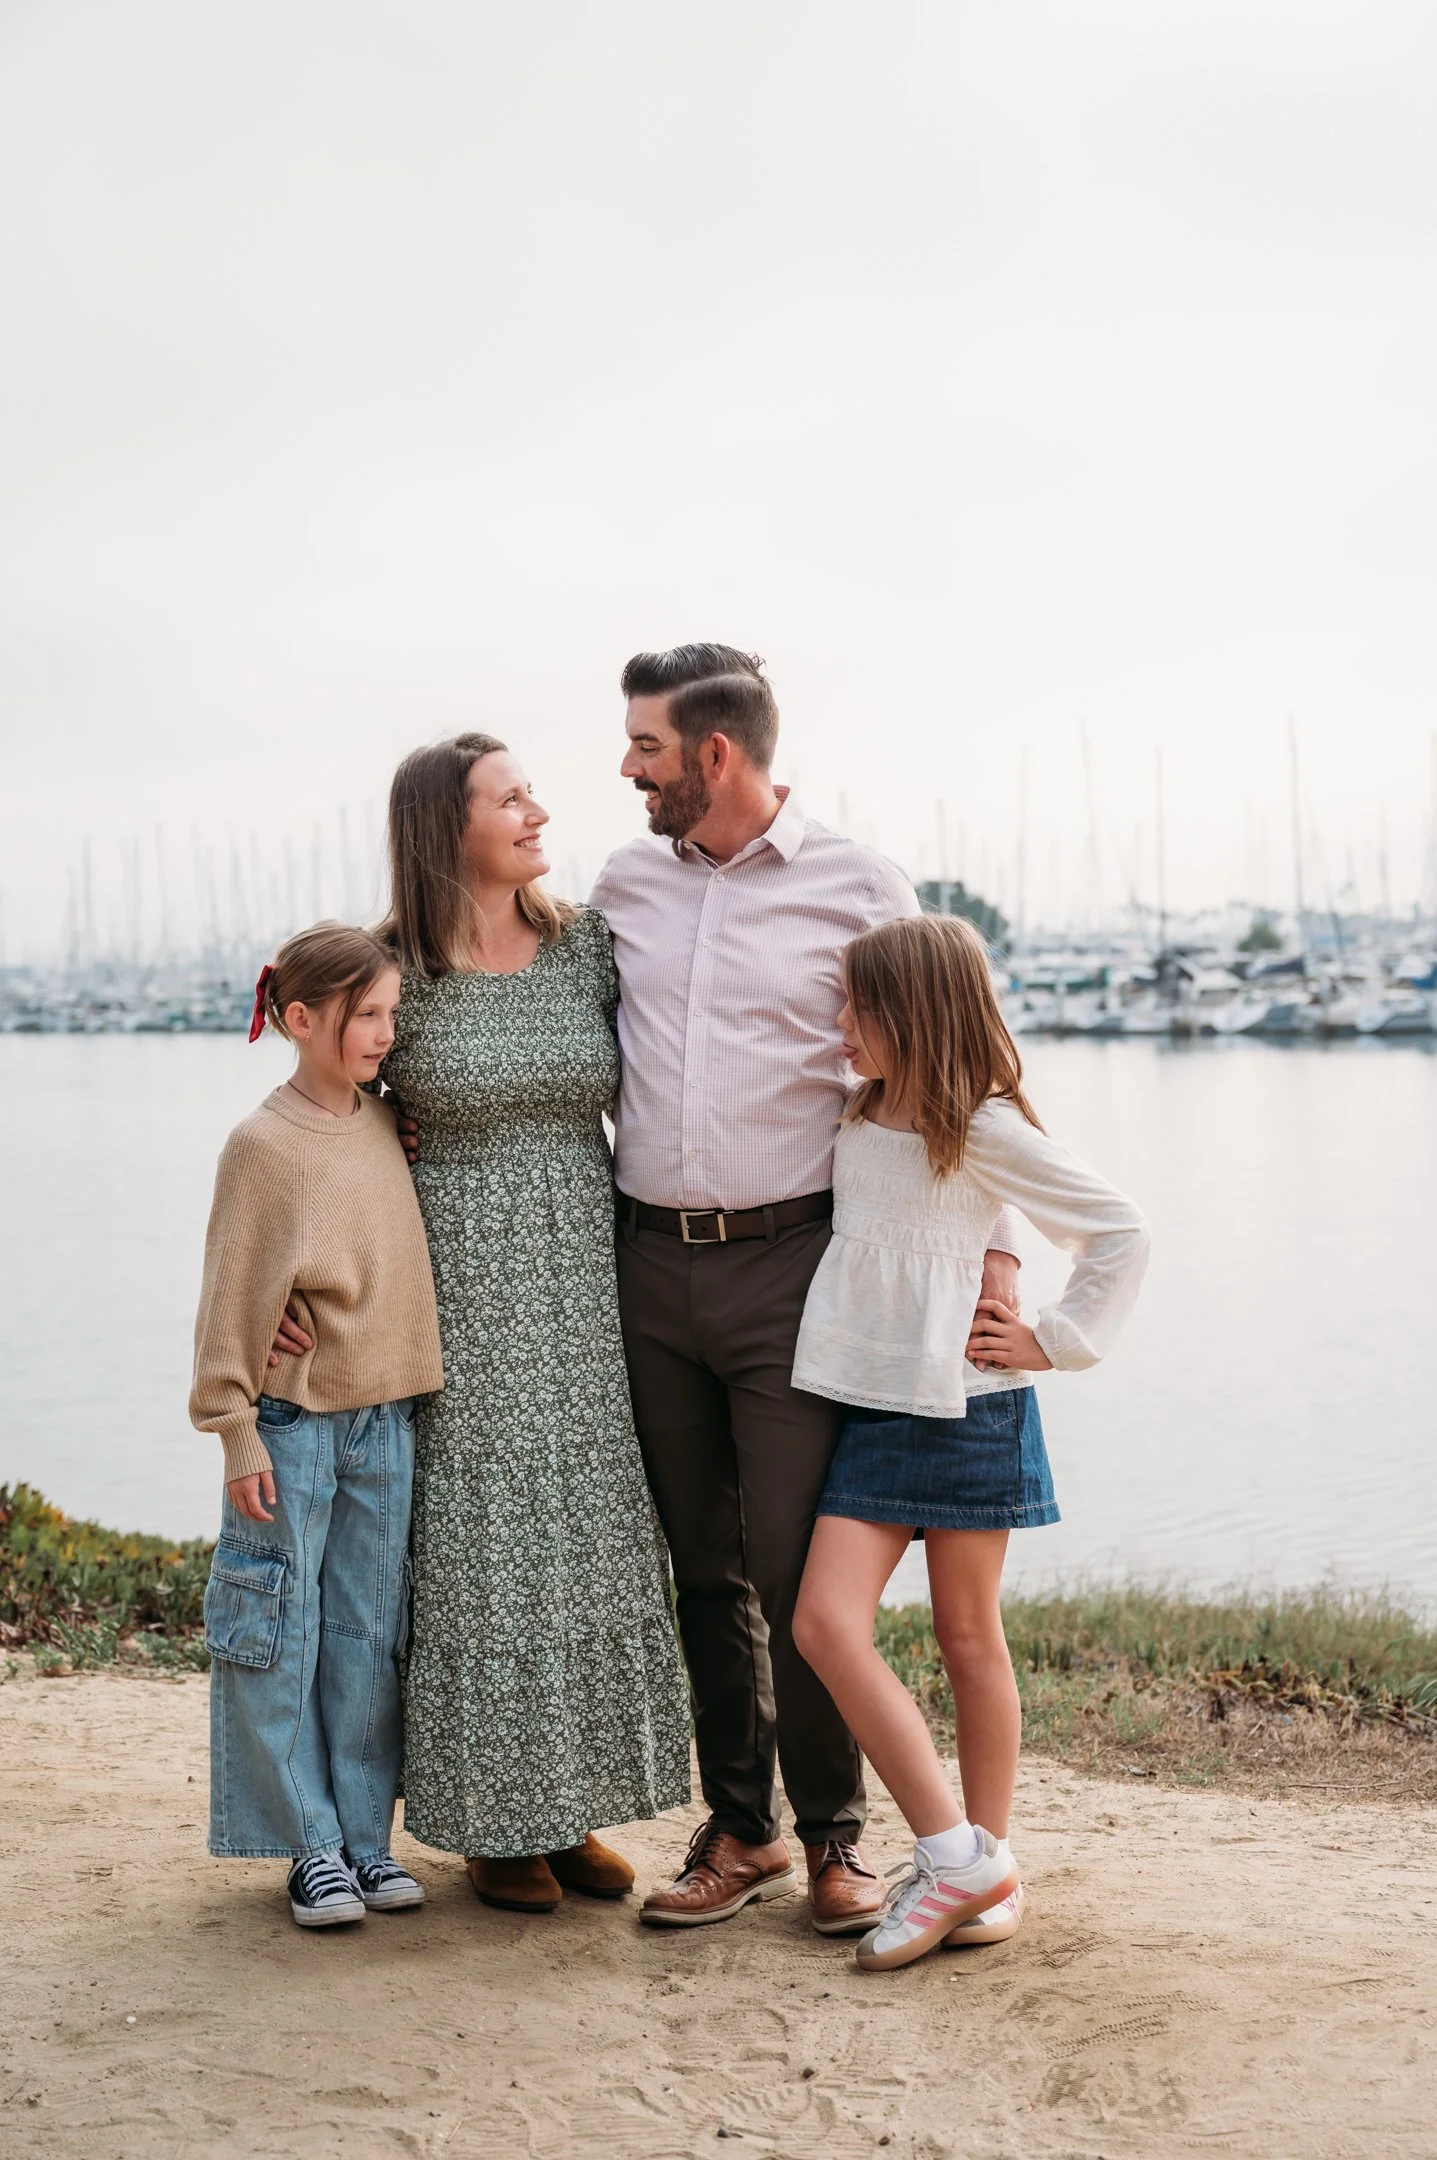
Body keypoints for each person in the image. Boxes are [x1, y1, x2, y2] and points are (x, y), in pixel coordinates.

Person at [590, 645, 1027, 1935]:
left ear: (715, 755)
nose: (628, 769)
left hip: (795, 1267)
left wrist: (999, 1264)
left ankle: (838, 1837)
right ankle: (743, 1830)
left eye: (647, 748)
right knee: (701, 1568)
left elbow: (965, 1066)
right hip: (646, 1260)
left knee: (793, 1570)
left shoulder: (860, 883)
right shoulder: (621, 884)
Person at [278, 734, 691, 1912]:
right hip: (446, 1281)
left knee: (588, 1533)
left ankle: (570, 1813)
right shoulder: (393, 968)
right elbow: (316, 1118)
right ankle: (497, 1827)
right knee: (472, 1547)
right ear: (442, 826)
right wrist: (284, 1294)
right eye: (510, 797)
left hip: (587, 1273)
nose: (536, 810)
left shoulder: (589, 950)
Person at [789, 913, 1151, 1971]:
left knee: (968, 1639)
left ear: (910, 1013)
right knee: (825, 1622)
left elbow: (1119, 1229)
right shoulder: (856, 1107)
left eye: (856, 1007)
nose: (839, 1023)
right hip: (873, 1406)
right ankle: (954, 1854)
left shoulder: (982, 1126)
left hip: (971, 1403)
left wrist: (1052, 1339)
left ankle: (989, 1862)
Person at [190, 923, 444, 1929]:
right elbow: (230, 1296)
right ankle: (310, 1847)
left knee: (366, 1638)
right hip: (291, 1426)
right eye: (364, 1016)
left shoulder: (388, 1124)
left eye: (389, 1013)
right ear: (299, 1021)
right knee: (279, 1634)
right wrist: (233, 1427)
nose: (385, 1033)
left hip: (386, 1421)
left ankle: (366, 1841)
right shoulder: (260, 1146)